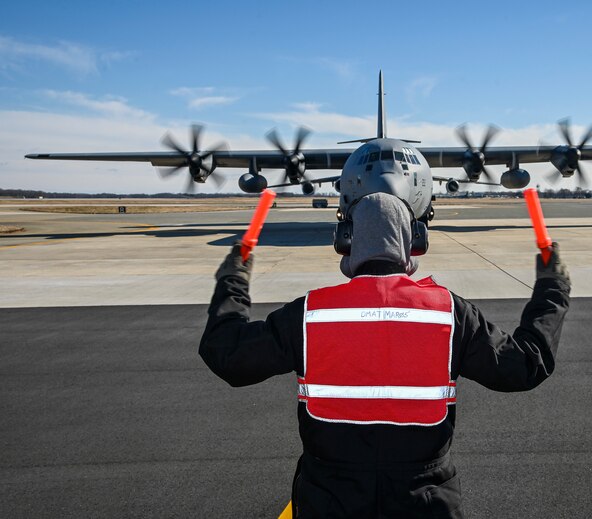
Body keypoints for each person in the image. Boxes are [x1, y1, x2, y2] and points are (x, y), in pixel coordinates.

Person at [199, 192, 570, 518]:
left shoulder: (310, 313)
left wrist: (234, 277)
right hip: (426, 500)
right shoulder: (449, 313)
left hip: (328, 500)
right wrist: (552, 287)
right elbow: (525, 365)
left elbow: (228, 355)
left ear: (345, 242)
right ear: (414, 241)